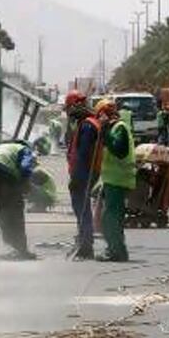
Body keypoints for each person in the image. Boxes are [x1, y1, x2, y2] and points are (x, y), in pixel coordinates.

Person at [0, 141, 40, 259]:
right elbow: (25, 167)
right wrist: (25, 183)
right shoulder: (24, 149)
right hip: (2, 171)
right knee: (14, 209)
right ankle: (21, 249)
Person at [95, 98, 136, 262]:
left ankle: (116, 252)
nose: (98, 120)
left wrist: (105, 131)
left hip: (119, 179)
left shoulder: (119, 128)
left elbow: (119, 150)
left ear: (105, 113)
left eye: (100, 116)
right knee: (110, 218)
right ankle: (115, 250)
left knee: (111, 218)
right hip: (112, 180)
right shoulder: (113, 128)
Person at [64, 90, 102, 260]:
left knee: (82, 208)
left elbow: (84, 154)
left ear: (76, 106)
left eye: (69, 109)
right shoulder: (85, 123)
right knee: (82, 207)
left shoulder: (87, 125)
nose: (68, 113)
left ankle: (86, 245)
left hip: (83, 173)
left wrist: (77, 179)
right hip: (86, 172)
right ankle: (85, 240)